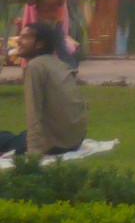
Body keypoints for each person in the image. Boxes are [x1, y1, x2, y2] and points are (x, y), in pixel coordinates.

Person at [0, 23, 87, 159]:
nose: (18, 40)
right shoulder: (56, 63)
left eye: (25, 37)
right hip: (73, 140)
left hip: (55, 144)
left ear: (40, 44)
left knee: (6, 139)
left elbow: (34, 111)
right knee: (10, 137)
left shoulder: (35, 66)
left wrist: (34, 153)